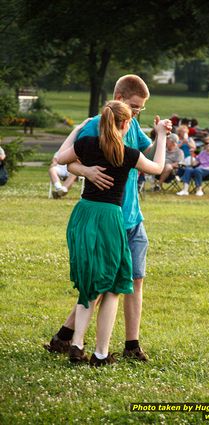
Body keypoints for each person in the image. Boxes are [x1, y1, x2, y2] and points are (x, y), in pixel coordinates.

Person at [44, 74, 172, 361]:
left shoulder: (133, 126)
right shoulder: (94, 125)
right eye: (136, 107)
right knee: (103, 283)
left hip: (131, 217)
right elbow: (69, 160)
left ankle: (128, 345)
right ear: (121, 101)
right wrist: (86, 171)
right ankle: (74, 342)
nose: (138, 113)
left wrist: (158, 133)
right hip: (109, 218)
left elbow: (143, 154)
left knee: (131, 280)